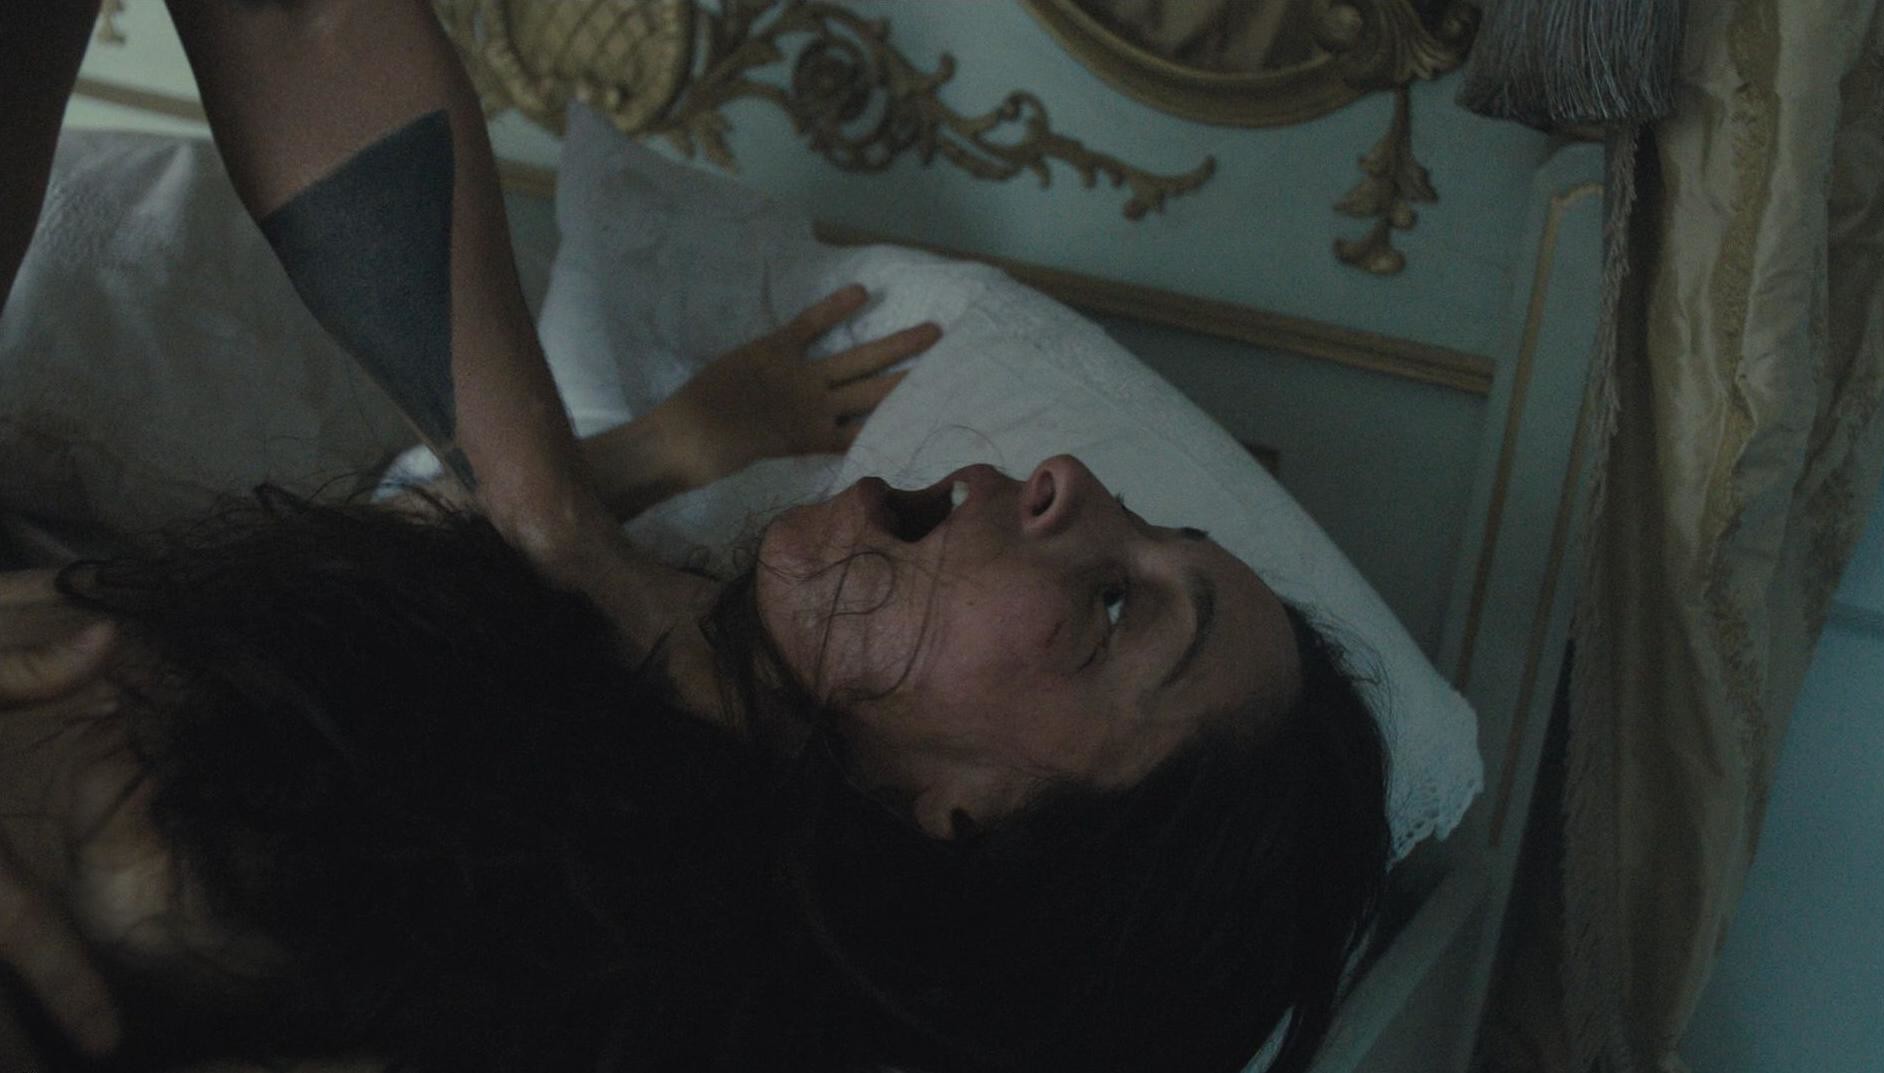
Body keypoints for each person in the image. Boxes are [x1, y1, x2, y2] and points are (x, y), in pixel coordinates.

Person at [0, 2, 1393, 1070]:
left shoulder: (546, 962)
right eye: (1146, 527)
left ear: (972, 827)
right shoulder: (548, 639)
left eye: (1118, 610)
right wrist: (585, 495)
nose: (1070, 480)